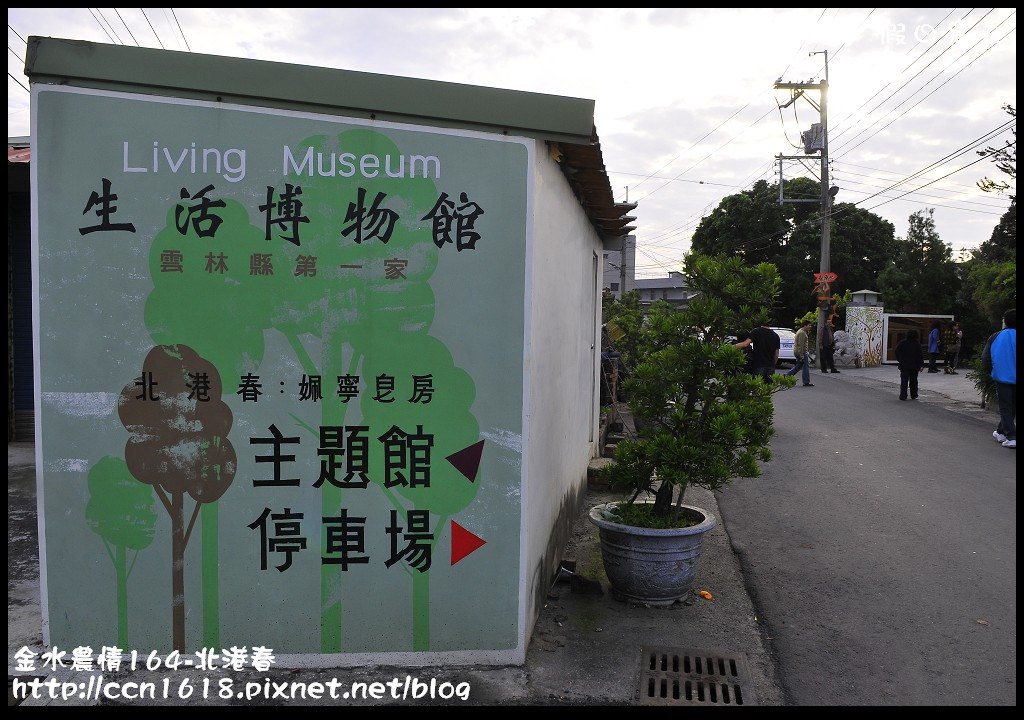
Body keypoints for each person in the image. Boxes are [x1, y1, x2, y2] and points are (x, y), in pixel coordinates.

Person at [982, 309, 1016, 449]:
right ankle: (1001, 432)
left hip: (1003, 377)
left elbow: (986, 358)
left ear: (1005, 321)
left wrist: (993, 371)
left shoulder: (996, 336)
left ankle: (1011, 436)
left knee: (1006, 407)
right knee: (1012, 406)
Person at [894, 329, 924, 401]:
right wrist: (921, 365)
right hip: (914, 366)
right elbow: (920, 355)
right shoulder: (917, 344)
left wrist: (900, 360)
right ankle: (914, 395)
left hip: (904, 365)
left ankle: (903, 395)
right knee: (913, 381)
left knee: (904, 381)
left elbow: (896, 352)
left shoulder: (902, 343)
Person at [785, 320, 814, 387]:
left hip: (800, 352)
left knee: (798, 366)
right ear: (805, 325)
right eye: (809, 325)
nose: (810, 327)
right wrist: (801, 356)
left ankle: (787, 375)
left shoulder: (802, 332)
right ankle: (806, 381)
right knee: (805, 367)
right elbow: (800, 345)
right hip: (801, 352)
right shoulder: (802, 333)